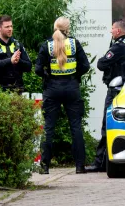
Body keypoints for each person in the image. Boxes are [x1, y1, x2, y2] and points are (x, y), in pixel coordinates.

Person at [35, 16, 90, 174]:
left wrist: (48, 75)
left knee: (49, 128)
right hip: (72, 88)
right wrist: (75, 76)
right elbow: (85, 66)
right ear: (68, 28)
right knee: (76, 127)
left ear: (55, 27)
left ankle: (44, 166)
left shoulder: (47, 45)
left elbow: (38, 69)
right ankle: (80, 166)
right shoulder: (74, 43)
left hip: (52, 89)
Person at [86, 19, 125, 172]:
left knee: (107, 125)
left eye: (112, 29)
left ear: (118, 31)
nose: (110, 31)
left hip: (115, 91)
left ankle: (100, 163)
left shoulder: (119, 47)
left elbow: (101, 64)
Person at [0, 15, 32, 93]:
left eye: (11, 26)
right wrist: (10, 61)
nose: (10, 29)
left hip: (17, 90)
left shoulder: (18, 44)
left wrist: (18, 61)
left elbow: (29, 67)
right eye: (7, 27)